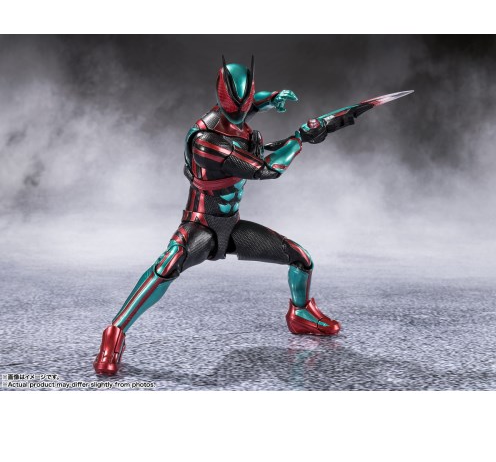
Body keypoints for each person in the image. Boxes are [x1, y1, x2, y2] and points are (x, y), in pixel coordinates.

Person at [94, 56, 341, 375]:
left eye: (246, 103)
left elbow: (249, 106)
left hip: (232, 226)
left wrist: (271, 98)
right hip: (201, 227)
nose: (242, 111)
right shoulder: (206, 141)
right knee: (167, 265)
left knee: (301, 259)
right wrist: (299, 139)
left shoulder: (235, 116)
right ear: (222, 99)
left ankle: (300, 313)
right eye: (236, 104)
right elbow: (268, 170)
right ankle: (114, 333)